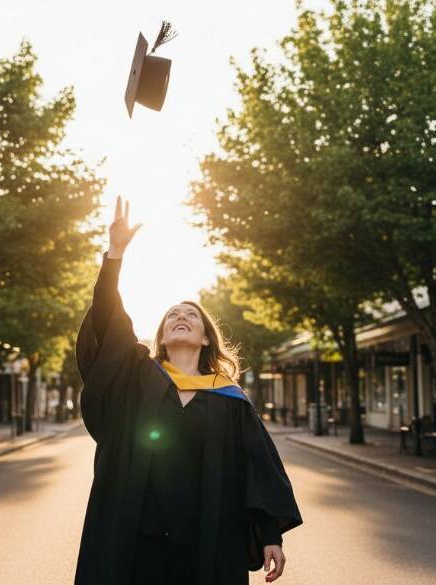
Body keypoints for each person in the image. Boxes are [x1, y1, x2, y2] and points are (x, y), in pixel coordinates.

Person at [75, 196, 302, 585]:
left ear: (205, 340)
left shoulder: (228, 399)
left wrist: (270, 536)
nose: (181, 317)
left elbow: (258, 469)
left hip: (207, 542)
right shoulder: (136, 377)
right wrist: (114, 255)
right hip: (138, 541)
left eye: (191, 315)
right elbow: (106, 322)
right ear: (162, 337)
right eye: (172, 316)